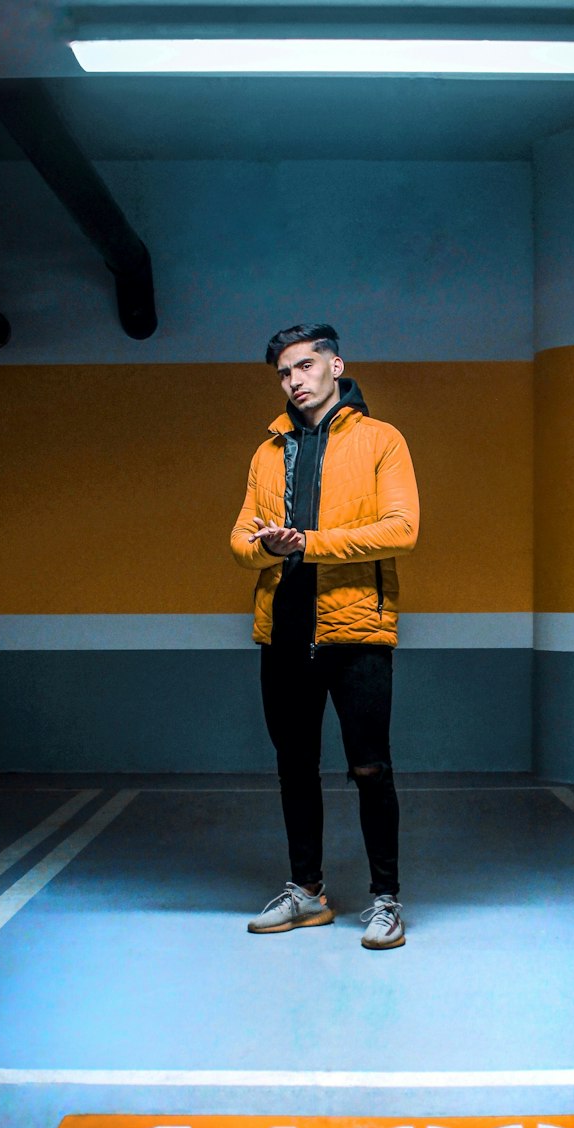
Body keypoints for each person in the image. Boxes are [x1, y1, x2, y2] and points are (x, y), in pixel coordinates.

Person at [230, 323, 420, 949]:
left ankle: (386, 900)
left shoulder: (380, 440)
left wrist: (307, 545)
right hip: (282, 633)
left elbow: (401, 530)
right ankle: (306, 893)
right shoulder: (268, 451)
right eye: (285, 372)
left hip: (356, 630)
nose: (296, 380)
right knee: (294, 767)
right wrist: (265, 548)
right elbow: (239, 544)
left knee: (370, 768)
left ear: (335, 366)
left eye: (307, 366)